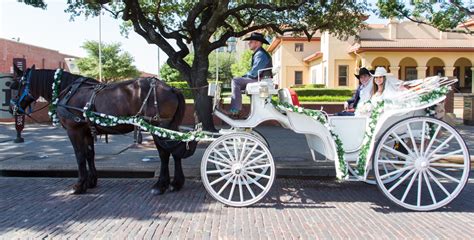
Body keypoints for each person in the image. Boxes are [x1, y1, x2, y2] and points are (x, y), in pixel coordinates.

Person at [225, 32, 272, 118]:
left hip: (261, 80)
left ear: (257, 43)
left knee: (236, 81)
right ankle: (250, 113)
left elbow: (254, 73)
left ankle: (235, 110)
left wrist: (243, 77)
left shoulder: (260, 54)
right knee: (238, 81)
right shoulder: (259, 53)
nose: (248, 43)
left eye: (251, 41)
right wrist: (244, 77)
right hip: (261, 79)